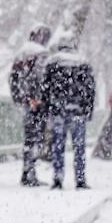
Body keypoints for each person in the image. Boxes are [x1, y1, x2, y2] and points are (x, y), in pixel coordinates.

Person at [42, 35, 96, 190]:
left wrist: (47, 108)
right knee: (79, 146)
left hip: (58, 110)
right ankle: (80, 179)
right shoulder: (83, 62)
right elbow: (90, 89)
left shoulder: (52, 62)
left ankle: (58, 178)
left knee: (58, 145)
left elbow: (45, 88)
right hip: (78, 110)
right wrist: (88, 109)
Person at [9, 24, 52, 186]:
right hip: (36, 103)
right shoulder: (40, 53)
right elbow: (38, 77)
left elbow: (13, 79)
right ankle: (29, 173)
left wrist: (21, 98)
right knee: (35, 138)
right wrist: (36, 98)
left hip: (24, 101)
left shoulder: (21, 53)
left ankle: (27, 173)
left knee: (29, 139)